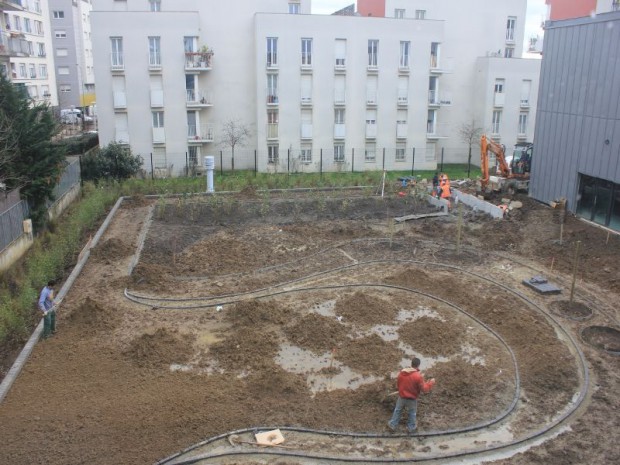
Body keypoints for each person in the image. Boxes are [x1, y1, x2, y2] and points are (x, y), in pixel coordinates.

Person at [388, 357, 436, 433]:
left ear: (411, 364)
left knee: (397, 410)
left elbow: (398, 384)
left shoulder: (401, 373)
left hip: (401, 397)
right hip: (412, 399)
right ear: (418, 365)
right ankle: (411, 428)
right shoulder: (418, 376)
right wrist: (430, 383)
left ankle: (393, 425)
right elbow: (424, 389)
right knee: (412, 413)